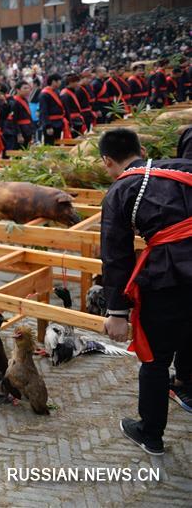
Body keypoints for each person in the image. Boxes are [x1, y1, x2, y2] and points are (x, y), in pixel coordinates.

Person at [98, 128, 192, 456]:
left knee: (155, 359)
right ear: (142, 148)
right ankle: (188, 391)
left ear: (107, 161)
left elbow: (116, 255)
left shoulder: (122, 189)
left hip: (169, 276)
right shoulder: (184, 168)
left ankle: (150, 434)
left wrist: (117, 312)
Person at [39, 73, 70, 145]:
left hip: (58, 122)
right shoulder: (44, 94)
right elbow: (44, 111)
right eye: (59, 81)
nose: (60, 83)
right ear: (53, 82)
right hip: (51, 123)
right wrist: (48, 126)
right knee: (49, 144)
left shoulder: (57, 92)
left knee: (57, 143)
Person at [5, 81, 34, 151]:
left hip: (27, 130)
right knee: (19, 153)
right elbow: (14, 120)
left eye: (28, 88)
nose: (28, 90)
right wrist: (19, 134)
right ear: (18, 90)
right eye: (25, 88)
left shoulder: (25, 100)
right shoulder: (14, 102)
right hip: (21, 130)